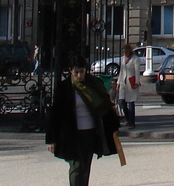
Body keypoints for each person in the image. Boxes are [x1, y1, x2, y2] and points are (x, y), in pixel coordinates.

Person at [46, 55, 119, 186]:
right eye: (76, 72)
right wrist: (51, 139)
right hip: (71, 133)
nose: (79, 76)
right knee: (76, 166)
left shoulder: (94, 84)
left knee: (85, 166)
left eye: (82, 72)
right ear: (70, 71)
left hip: (90, 132)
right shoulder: (64, 87)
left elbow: (105, 105)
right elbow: (55, 114)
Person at [114, 44, 140, 129]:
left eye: (126, 52)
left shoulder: (135, 59)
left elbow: (137, 71)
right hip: (123, 82)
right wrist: (118, 82)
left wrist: (136, 82)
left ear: (129, 51)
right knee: (121, 102)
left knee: (131, 102)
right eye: (124, 52)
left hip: (131, 82)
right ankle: (127, 118)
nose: (125, 53)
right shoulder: (122, 59)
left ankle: (131, 122)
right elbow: (121, 71)